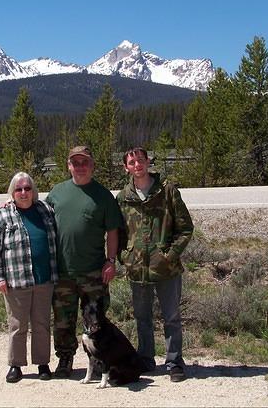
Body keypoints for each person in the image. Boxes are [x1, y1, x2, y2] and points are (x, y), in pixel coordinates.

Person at [116, 147, 194, 382]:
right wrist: (125, 256)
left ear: (148, 162)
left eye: (141, 160)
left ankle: (174, 362)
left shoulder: (167, 191)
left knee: (171, 317)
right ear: (126, 167)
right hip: (137, 268)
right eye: (132, 162)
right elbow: (118, 233)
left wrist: (170, 255)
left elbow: (185, 229)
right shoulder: (123, 197)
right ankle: (146, 359)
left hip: (166, 268)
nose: (137, 165)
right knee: (142, 317)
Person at [46, 146, 123, 378]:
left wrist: (111, 261)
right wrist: (11, 204)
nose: (80, 166)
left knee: (96, 319)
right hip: (62, 271)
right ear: (68, 165)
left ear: (92, 165)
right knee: (63, 320)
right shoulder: (57, 193)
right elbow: (37, 214)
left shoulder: (103, 196)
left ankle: (99, 359)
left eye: (84, 162)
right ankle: (65, 359)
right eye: (75, 162)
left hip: (93, 272)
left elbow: (112, 232)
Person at [0, 172, 59, 383]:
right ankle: (15, 365)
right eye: (18, 189)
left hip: (44, 279)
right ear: (12, 193)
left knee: (42, 324)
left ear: (33, 191)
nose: (23, 192)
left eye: (27, 188)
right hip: (16, 281)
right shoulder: (2, 215)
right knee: (17, 325)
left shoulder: (45, 210)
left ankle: (43, 363)